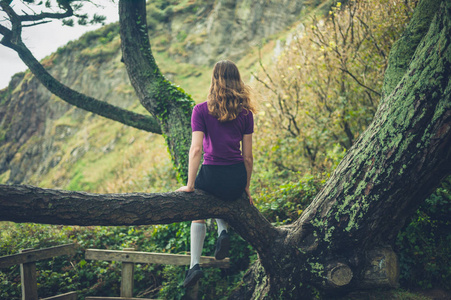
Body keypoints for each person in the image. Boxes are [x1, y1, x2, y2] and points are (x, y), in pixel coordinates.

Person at [176, 60, 256, 288]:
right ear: (237, 81)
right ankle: (223, 230)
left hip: (211, 176)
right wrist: (246, 186)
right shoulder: (246, 114)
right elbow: (248, 157)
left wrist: (190, 185)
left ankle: (194, 265)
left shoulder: (200, 110)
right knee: (224, 194)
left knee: (199, 209)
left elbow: (196, 149)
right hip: (236, 177)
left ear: (214, 80)